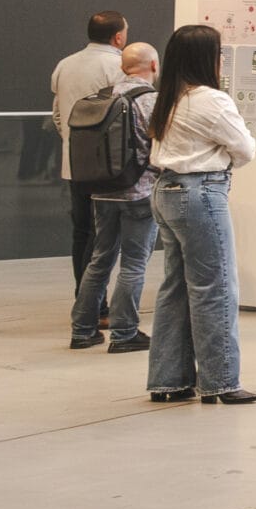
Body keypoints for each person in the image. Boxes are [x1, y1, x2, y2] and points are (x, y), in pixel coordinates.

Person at [143, 25, 256, 405]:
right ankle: (221, 381)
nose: (222, 59)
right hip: (201, 193)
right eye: (219, 52)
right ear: (206, 58)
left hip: (166, 191)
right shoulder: (211, 100)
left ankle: (167, 380)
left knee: (175, 287)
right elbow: (244, 149)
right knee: (216, 286)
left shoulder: (168, 98)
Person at [70, 43, 160, 353]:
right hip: (139, 191)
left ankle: (82, 331)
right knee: (133, 264)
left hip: (102, 189)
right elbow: (160, 149)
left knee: (99, 260)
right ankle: (124, 334)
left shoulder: (103, 96)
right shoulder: (151, 101)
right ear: (153, 67)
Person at [51, 10, 129, 297]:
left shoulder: (65, 64)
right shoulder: (119, 65)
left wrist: (73, 141)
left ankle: (82, 299)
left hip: (73, 165)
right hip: (106, 166)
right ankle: (95, 305)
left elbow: (58, 115)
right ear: (118, 36)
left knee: (82, 232)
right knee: (103, 238)